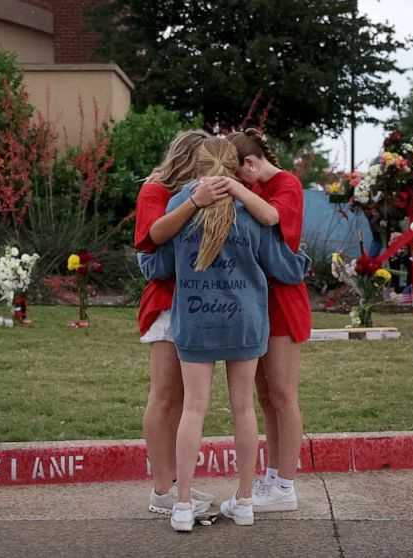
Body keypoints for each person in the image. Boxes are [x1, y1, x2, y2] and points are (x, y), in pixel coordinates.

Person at [138, 137, 311, 532]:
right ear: (235, 167)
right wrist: (302, 262)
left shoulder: (181, 203)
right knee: (244, 408)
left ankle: (181, 506)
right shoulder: (249, 206)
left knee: (194, 409)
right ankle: (246, 501)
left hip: (195, 319)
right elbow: (283, 267)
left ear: (197, 166)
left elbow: (158, 264)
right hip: (245, 320)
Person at [134, 130, 229, 516]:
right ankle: (162, 490)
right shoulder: (155, 191)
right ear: (189, 158)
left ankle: (174, 483)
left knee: (183, 401)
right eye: (204, 159)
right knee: (166, 395)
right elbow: (151, 237)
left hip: (196, 302)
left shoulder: (198, 191)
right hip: (168, 303)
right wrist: (193, 201)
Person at [221, 129, 311, 513]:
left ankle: (284, 485)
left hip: (283, 302)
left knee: (283, 395)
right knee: (265, 396)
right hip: (258, 301)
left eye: (239, 175)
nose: (239, 185)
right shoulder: (255, 186)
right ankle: (273, 477)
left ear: (251, 163)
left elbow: (273, 217)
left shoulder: (285, 183)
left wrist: (235, 188)